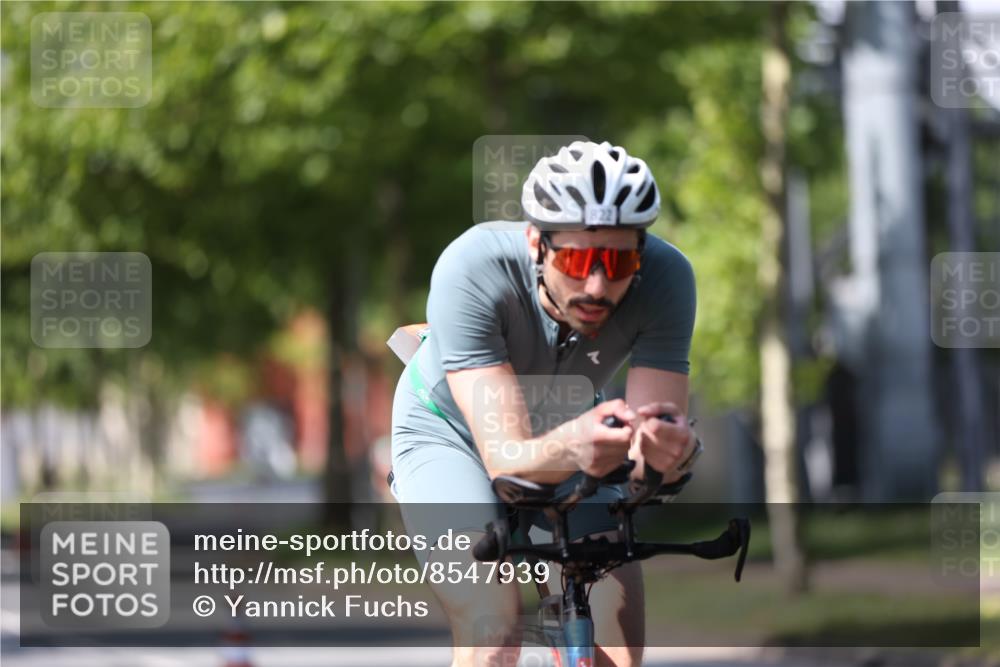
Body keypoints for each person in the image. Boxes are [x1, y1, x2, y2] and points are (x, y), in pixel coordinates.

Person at [390, 140, 701, 667]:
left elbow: (656, 439)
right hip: (450, 434)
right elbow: (506, 457)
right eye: (578, 260)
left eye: (620, 261)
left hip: (572, 427)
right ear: (537, 242)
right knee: (492, 625)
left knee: (620, 648)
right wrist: (582, 446)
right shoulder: (472, 266)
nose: (598, 285)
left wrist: (669, 458)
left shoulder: (668, 279)